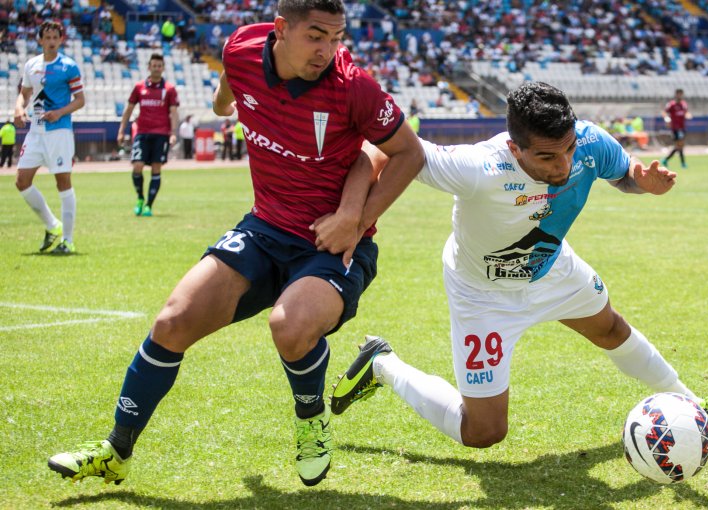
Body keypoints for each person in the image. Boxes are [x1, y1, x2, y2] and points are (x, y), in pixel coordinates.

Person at [47, 0, 424, 488]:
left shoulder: (353, 86)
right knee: (171, 321)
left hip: (329, 245)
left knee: (289, 327)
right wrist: (229, 102)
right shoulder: (241, 48)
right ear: (281, 29)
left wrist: (356, 220)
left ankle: (310, 420)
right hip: (263, 228)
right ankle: (116, 452)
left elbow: (406, 153)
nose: (328, 51)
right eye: (315, 36)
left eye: (337, 38)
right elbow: (226, 95)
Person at [330, 82, 708, 453]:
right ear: (515, 148)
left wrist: (644, 183)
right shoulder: (478, 167)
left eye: (567, 149)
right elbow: (380, 149)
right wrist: (355, 217)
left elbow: (623, 175)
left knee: (611, 329)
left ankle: (691, 406)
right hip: (482, 294)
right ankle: (382, 365)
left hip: (553, 270)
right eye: (548, 157)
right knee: (484, 432)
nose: (563, 165)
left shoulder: (590, 143)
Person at [13, 20, 84, 255]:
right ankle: (53, 225)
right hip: (36, 131)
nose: (52, 41)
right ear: (40, 40)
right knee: (22, 181)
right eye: (48, 37)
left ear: (61, 40)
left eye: (56, 37)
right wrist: (19, 109)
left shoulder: (69, 66)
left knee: (62, 183)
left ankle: (68, 240)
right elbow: (23, 94)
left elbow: (80, 100)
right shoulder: (31, 65)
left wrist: (60, 113)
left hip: (60, 132)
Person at [118, 53, 179, 217]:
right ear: (149, 67)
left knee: (156, 168)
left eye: (159, 66)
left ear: (163, 68)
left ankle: (148, 206)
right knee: (137, 165)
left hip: (161, 134)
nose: (157, 68)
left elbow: (174, 113)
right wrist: (121, 130)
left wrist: (173, 133)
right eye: (154, 65)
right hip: (142, 133)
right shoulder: (139, 87)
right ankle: (140, 198)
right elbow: (129, 109)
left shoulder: (170, 89)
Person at [661, 88, 691, 169]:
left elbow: (686, 112)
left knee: (679, 146)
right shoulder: (671, 104)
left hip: (682, 127)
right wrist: (667, 119)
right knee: (680, 145)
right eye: (678, 94)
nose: (680, 95)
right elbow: (664, 112)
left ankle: (666, 160)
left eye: (681, 94)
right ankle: (683, 163)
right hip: (675, 128)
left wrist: (688, 115)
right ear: (676, 94)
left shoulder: (684, 104)